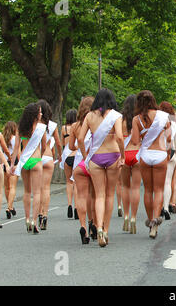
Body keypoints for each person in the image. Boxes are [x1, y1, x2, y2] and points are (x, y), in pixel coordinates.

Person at [78, 89, 124, 247]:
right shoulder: (116, 116)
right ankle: (105, 229)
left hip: (95, 158)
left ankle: (97, 227)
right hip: (112, 156)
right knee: (110, 195)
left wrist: (85, 158)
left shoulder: (89, 116)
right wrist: (123, 156)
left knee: (99, 195)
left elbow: (79, 138)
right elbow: (119, 136)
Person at [133, 90, 170, 239]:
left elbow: (135, 141)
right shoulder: (162, 116)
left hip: (146, 155)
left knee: (148, 190)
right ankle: (156, 220)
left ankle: (150, 221)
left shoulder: (137, 119)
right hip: (160, 154)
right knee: (159, 190)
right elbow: (168, 136)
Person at [11, 103, 47, 234]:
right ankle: (34, 220)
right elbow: (44, 146)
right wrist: (40, 157)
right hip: (36, 160)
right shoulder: (42, 128)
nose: (41, 114)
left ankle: (26, 219)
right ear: (35, 114)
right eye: (40, 112)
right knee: (37, 192)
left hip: (24, 161)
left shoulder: (20, 128)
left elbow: (16, 148)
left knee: (27, 192)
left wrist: (12, 165)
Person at [69, 96, 96, 244]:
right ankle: (93, 223)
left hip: (79, 163)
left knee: (80, 196)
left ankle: (83, 226)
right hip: (93, 162)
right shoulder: (95, 123)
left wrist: (80, 149)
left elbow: (71, 146)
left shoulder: (75, 126)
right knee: (93, 195)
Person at [36, 99, 62, 230]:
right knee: (46, 188)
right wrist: (60, 154)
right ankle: (45, 214)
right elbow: (58, 142)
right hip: (48, 156)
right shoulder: (52, 125)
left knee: (38, 188)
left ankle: (38, 213)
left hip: (37, 156)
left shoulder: (33, 124)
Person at [120, 95, 141, 234]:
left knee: (125, 186)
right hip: (137, 154)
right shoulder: (139, 120)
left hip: (124, 155)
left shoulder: (120, 121)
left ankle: (126, 215)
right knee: (136, 188)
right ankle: (134, 217)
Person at [160, 101, 176, 221]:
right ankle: (166, 208)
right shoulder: (174, 122)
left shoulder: (158, 121)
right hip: (171, 151)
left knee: (158, 183)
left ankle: (159, 207)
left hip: (160, 150)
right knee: (168, 181)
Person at [61, 109, 78, 219]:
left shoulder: (64, 128)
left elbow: (63, 143)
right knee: (76, 181)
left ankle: (69, 205)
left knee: (68, 181)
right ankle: (77, 207)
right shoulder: (77, 127)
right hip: (76, 154)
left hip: (66, 154)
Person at [3, 121, 19, 219]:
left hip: (4, 163)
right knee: (13, 187)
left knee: (7, 187)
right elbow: (18, 152)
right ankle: (9, 207)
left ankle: (11, 206)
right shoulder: (15, 139)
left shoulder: (3, 139)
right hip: (13, 163)